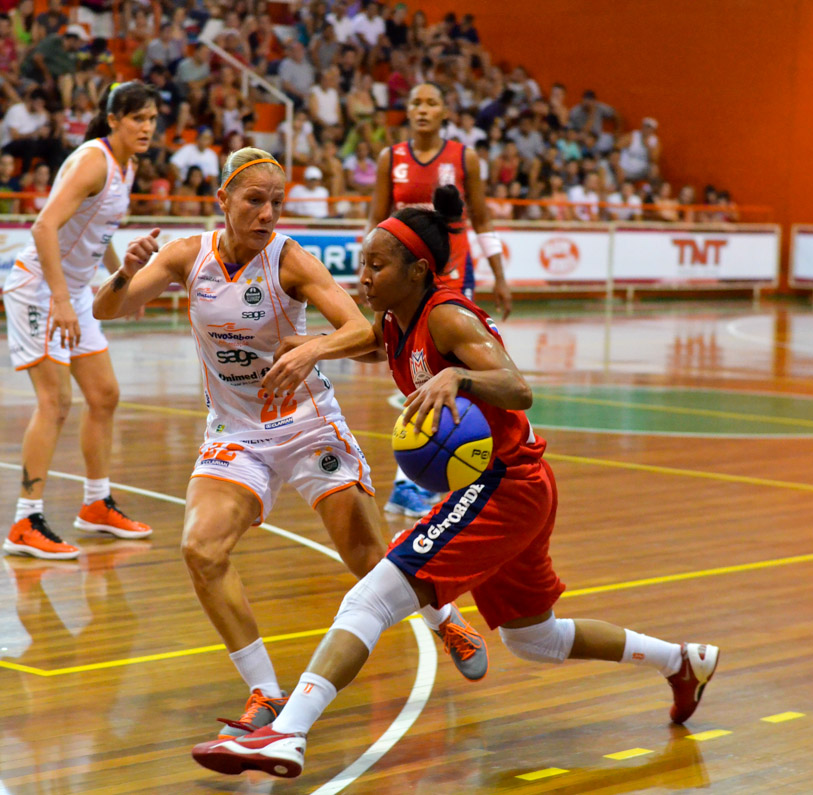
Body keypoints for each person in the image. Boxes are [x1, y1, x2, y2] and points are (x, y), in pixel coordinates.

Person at [191, 187, 722, 779]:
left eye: (376, 265)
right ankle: (681, 661)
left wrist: (460, 380)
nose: (361, 276)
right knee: (534, 639)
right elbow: (372, 342)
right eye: (362, 263)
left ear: (418, 269)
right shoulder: (398, 316)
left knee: (370, 597)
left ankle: (286, 735)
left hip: (506, 483)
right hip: (522, 485)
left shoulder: (448, 315)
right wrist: (318, 347)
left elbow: (519, 389)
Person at [92, 147, 491, 746]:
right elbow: (108, 309)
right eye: (255, 200)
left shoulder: (291, 260)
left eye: (277, 202)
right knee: (200, 550)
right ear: (222, 200)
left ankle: (446, 618)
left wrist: (308, 349)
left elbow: (363, 328)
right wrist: (125, 270)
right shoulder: (186, 257)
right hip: (236, 435)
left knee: (367, 558)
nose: (268, 214)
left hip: (307, 426)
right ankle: (265, 693)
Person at [0, 81, 161, 561]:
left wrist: (121, 282)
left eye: (152, 119)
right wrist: (63, 299)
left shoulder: (125, 165)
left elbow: (100, 232)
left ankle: (95, 505)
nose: (147, 128)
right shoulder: (94, 160)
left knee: (105, 396)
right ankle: (25, 520)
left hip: (75, 292)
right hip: (41, 290)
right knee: (55, 401)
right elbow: (43, 225)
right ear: (114, 120)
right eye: (138, 119)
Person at [367, 81, 511, 518]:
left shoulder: (465, 157)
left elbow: (482, 219)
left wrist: (499, 274)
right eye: (416, 102)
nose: (423, 109)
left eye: (432, 101)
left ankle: (440, 475)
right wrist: (370, 274)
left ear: (444, 109)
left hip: (451, 280)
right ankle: (414, 480)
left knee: (452, 375)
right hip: (407, 285)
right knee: (419, 375)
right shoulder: (389, 158)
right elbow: (375, 222)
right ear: (407, 110)